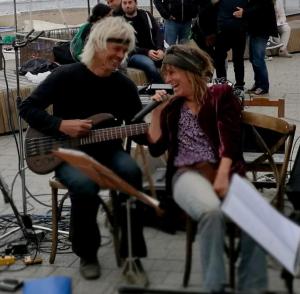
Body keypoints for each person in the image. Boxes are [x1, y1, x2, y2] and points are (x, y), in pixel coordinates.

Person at [19, 17, 148, 281]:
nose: (121, 55)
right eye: (117, 48)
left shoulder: (123, 85)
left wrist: (159, 131)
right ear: (99, 44)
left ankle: (130, 251)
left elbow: (140, 130)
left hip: (109, 151)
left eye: (125, 50)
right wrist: (60, 124)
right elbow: (27, 108)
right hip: (68, 153)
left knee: (131, 173)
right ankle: (87, 253)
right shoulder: (65, 75)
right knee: (85, 185)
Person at [147, 44, 268, 292]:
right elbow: (156, 148)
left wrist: (223, 176)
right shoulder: (171, 107)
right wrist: (157, 112)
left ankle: (252, 287)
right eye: (165, 75)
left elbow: (231, 139)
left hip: (224, 169)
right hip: (186, 175)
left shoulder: (221, 94)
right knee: (211, 211)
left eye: (172, 73)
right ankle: (216, 287)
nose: (167, 80)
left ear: (189, 70)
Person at [233, 0, 278, 95]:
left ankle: (263, 86)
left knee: (258, 59)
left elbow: (259, 9)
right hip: (254, 29)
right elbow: (252, 6)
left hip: (262, 30)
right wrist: (244, 10)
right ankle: (258, 83)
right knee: (253, 59)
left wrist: (244, 12)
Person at [122, 0, 164, 83]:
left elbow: (157, 33)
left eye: (130, 2)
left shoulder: (146, 15)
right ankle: (163, 90)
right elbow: (126, 46)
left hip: (154, 51)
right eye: (125, 3)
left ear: (136, 3)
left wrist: (160, 49)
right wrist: (147, 52)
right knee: (150, 65)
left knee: (173, 61)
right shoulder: (121, 21)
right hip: (134, 54)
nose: (127, 5)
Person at [214, 0, 248, 90]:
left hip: (238, 30)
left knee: (238, 59)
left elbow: (252, 7)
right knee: (220, 58)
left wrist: (244, 12)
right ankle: (222, 83)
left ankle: (239, 84)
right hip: (223, 30)